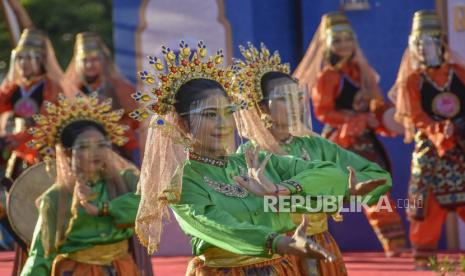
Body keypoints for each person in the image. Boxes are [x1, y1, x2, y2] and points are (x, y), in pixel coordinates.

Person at [131, 40, 390, 275]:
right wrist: (278, 241)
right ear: (183, 124)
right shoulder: (184, 182)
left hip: (279, 267)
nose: (223, 124)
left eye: (228, 112)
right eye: (210, 114)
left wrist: (282, 189)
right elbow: (218, 226)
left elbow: (326, 170)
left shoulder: (252, 161)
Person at [234, 42, 394, 275]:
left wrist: (354, 190)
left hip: (319, 243)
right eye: (282, 98)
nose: (294, 106)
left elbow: (378, 174)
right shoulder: (250, 154)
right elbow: (253, 206)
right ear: (262, 108)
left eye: (297, 97)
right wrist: (329, 192)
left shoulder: (316, 145)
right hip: (277, 250)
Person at [294, 12, 407, 257]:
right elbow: (324, 112)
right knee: (325, 194)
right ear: (328, 44)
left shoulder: (361, 72)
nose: (343, 45)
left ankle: (395, 247)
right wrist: (356, 119)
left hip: (365, 142)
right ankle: (307, 239)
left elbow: (375, 104)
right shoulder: (328, 76)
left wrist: (385, 115)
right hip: (340, 141)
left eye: (348, 39)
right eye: (337, 40)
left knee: (376, 189)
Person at [20, 93, 141, 275]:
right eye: (84, 147)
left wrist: (105, 208)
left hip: (121, 269)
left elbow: (148, 207)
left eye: (101, 144)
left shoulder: (125, 180)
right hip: (77, 270)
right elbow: (41, 253)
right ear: (67, 154)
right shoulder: (54, 198)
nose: (95, 152)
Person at [389, 10, 465, 269]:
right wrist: (438, 131)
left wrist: (457, 128)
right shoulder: (412, 80)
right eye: (420, 44)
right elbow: (416, 115)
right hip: (431, 148)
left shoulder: (459, 72)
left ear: (441, 43)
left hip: (461, 143)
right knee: (426, 202)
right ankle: (424, 258)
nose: (425, 48)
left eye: (430, 41)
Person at [0, 28, 63, 275]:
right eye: (21, 58)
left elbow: (48, 120)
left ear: (41, 60)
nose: (24, 63)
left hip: (43, 157)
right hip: (18, 158)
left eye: (30, 57)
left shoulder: (50, 87)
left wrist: (16, 138)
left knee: (44, 210)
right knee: (14, 210)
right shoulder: (15, 87)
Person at [63, 32, 140, 164]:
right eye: (85, 60)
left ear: (103, 61)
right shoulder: (71, 91)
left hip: (116, 154)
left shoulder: (120, 88)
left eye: (94, 60)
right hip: (80, 154)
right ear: (77, 63)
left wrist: (114, 128)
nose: (89, 65)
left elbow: (135, 121)